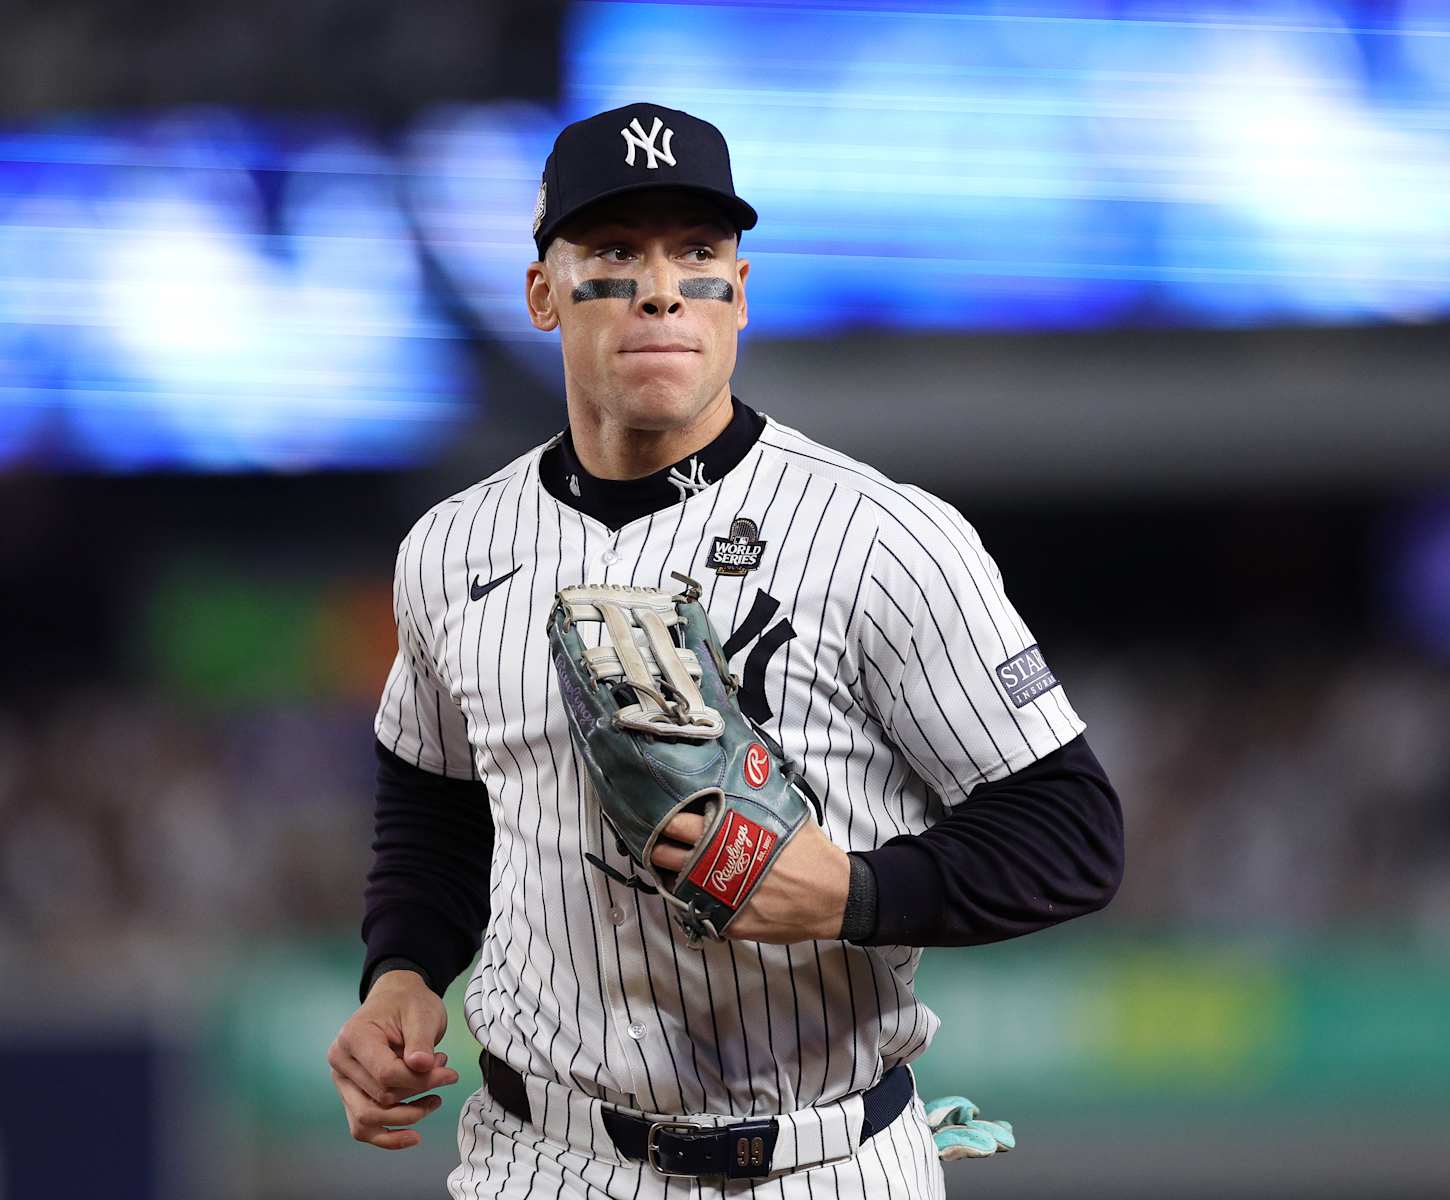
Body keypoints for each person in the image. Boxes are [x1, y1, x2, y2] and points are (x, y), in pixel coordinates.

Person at [326, 102, 1124, 1198]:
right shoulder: (451, 550)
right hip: (543, 1156)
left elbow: (1072, 832)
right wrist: (402, 971)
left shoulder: (882, 537)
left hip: (824, 1158)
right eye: (613, 252)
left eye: (695, 253)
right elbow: (437, 802)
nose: (660, 287)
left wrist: (855, 891)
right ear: (542, 293)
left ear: (738, 297)